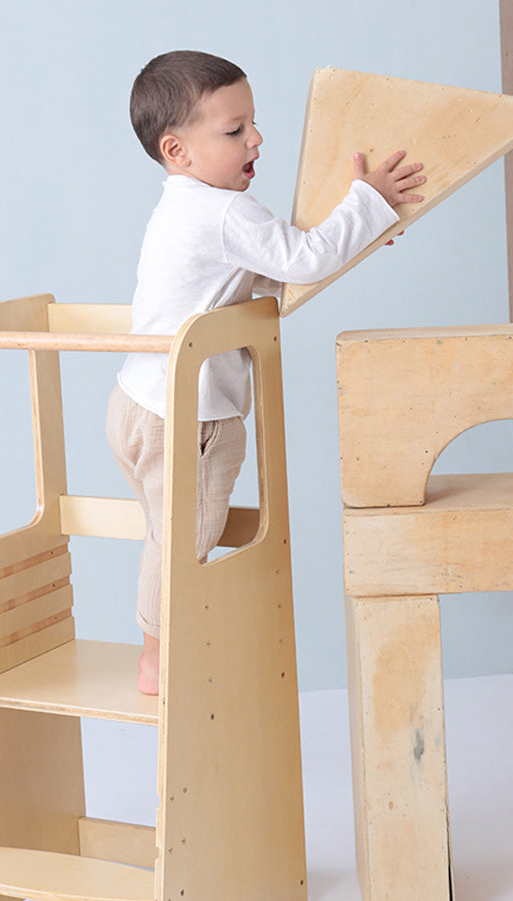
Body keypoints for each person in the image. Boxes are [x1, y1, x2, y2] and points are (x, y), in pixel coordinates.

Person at [107, 50, 425, 693]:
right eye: (234, 130)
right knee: (180, 544)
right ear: (177, 151)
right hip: (191, 417)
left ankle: (162, 646)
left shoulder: (178, 209)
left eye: (253, 122)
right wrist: (367, 202)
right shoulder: (226, 212)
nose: (256, 139)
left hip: (135, 403)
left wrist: (358, 232)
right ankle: (156, 658)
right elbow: (303, 259)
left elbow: (270, 277)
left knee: (166, 534)